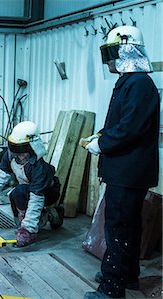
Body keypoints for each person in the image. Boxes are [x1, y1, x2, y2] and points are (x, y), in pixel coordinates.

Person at [82, 26, 159, 299]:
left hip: (128, 171)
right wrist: (102, 135)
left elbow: (130, 128)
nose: (111, 60)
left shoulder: (138, 83)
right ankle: (128, 277)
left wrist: (101, 144)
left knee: (118, 227)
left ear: (128, 49)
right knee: (128, 225)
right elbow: (122, 123)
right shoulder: (131, 82)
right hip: (128, 171)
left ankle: (112, 289)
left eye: (114, 53)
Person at [0, 121, 63, 247]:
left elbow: (36, 199)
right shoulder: (10, 156)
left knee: (20, 193)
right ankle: (28, 221)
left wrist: (28, 230)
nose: (18, 154)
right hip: (26, 190)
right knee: (15, 194)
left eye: (21, 149)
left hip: (47, 193)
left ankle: (47, 215)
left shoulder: (39, 167)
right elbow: (0, 177)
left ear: (32, 146)